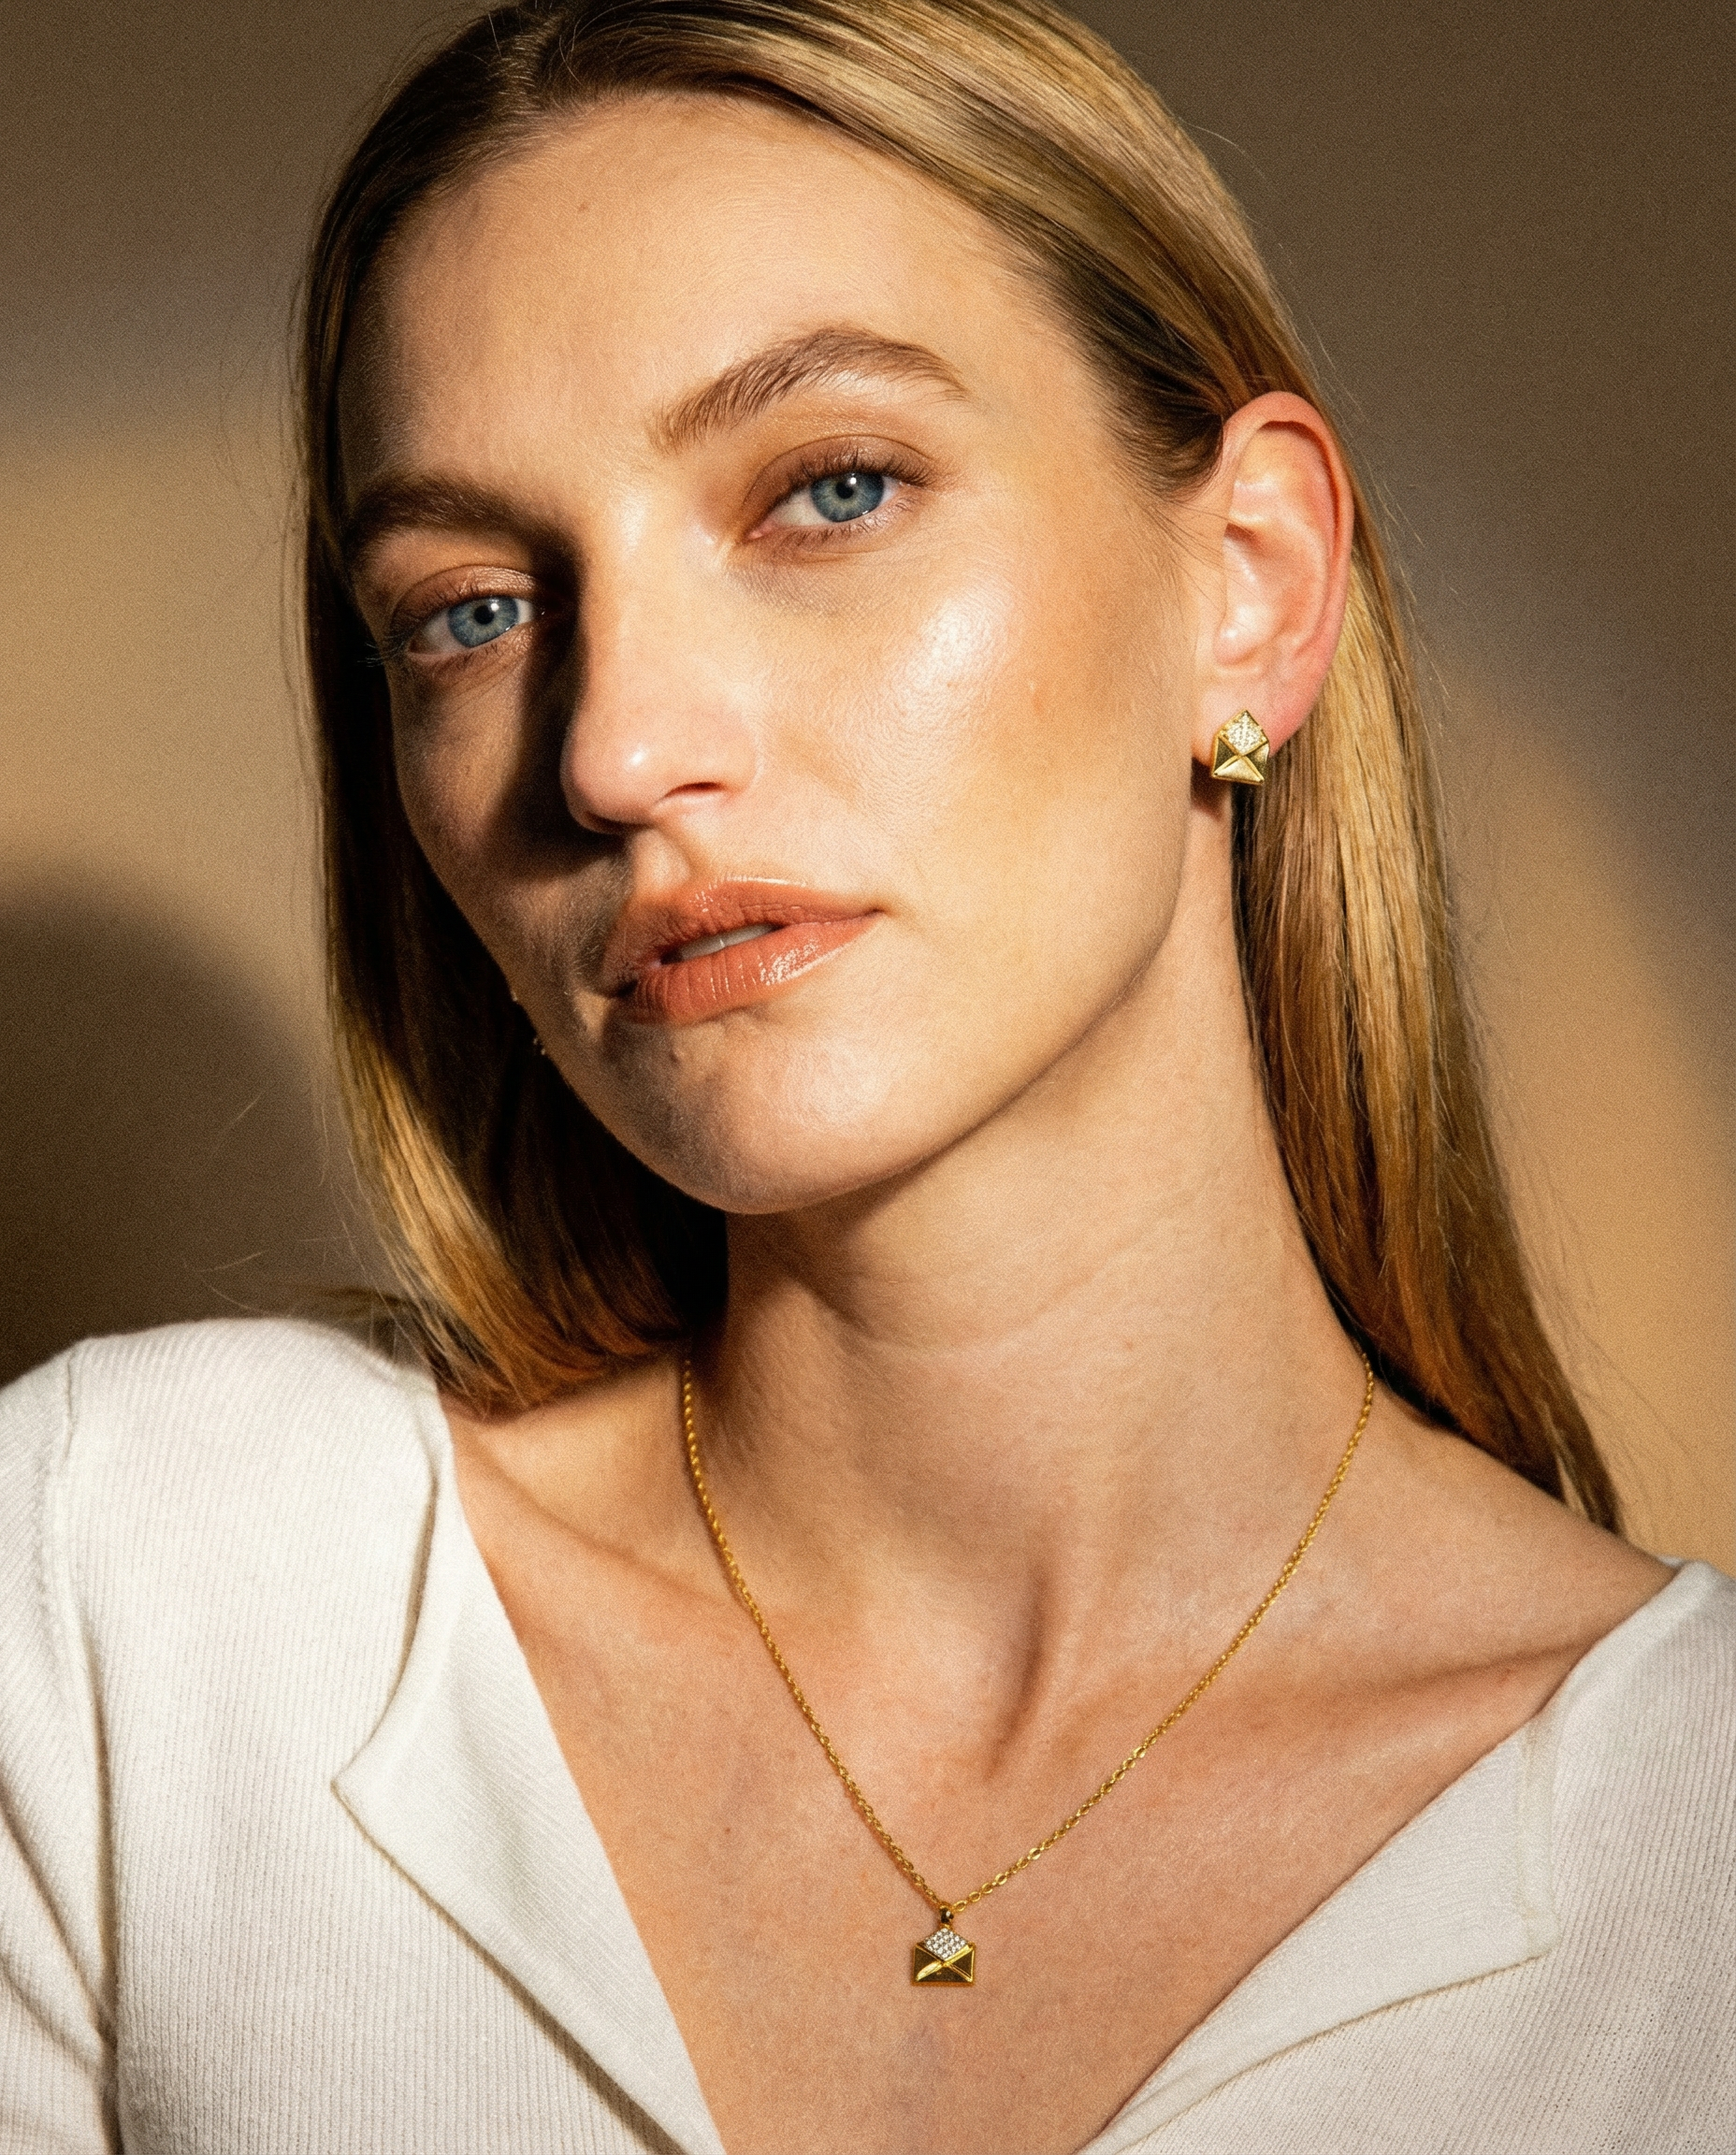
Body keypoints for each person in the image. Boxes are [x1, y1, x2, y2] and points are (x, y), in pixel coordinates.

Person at [1, 1, 1729, 2148]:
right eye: (469, 611)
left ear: (1250, 586)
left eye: (831, 493)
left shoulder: (1691, 1869)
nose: (618, 749)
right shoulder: (131, 1595)